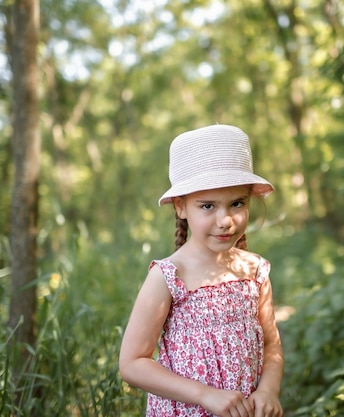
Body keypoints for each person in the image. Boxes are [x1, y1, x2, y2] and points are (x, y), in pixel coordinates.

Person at [119, 124, 284, 417]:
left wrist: (268, 390)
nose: (225, 220)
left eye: (237, 203)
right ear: (181, 207)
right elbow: (132, 363)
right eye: (207, 206)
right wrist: (204, 395)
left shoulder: (254, 270)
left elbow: (272, 344)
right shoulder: (169, 276)